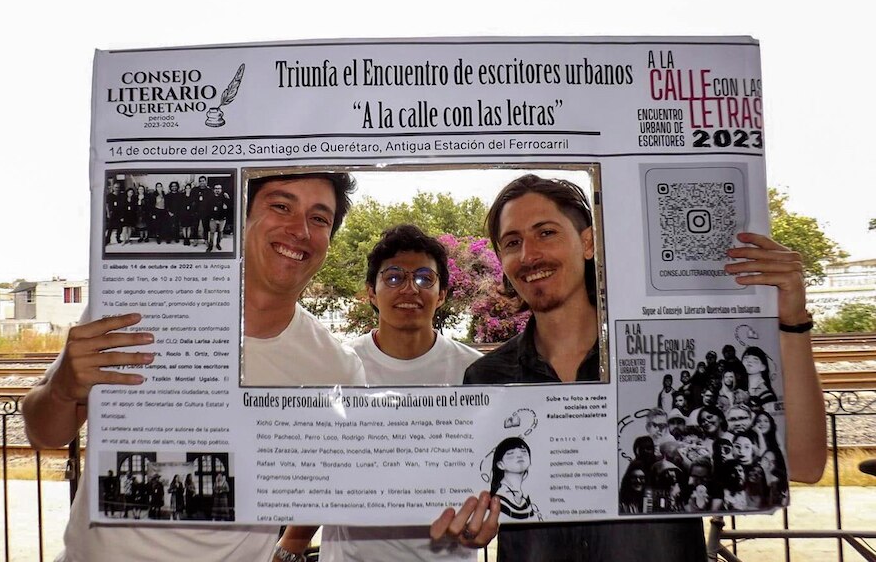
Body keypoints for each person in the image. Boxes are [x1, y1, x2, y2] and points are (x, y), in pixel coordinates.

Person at [434, 174, 826, 560]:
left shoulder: (669, 358)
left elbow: (806, 462)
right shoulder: (486, 378)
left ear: (588, 242)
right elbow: (484, 500)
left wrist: (792, 320)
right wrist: (471, 528)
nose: (529, 254)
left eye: (546, 233)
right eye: (513, 242)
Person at [22, 172, 365, 562]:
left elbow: (349, 483)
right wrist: (62, 390)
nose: (299, 230)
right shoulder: (130, 311)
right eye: (281, 206)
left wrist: (440, 499)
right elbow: (42, 433)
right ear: (241, 219)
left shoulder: (338, 371)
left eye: (319, 219)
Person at [278, 224, 483, 561]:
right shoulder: (338, 368)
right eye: (392, 278)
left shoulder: (476, 373)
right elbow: (319, 474)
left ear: (442, 293)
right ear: (370, 293)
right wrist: (288, 549)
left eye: (423, 278)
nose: (409, 289)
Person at [489, 437, 540, 520]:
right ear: (500, 464)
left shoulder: (526, 496)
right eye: (511, 454)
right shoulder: (499, 497)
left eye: (523, 452)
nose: (519, 456)